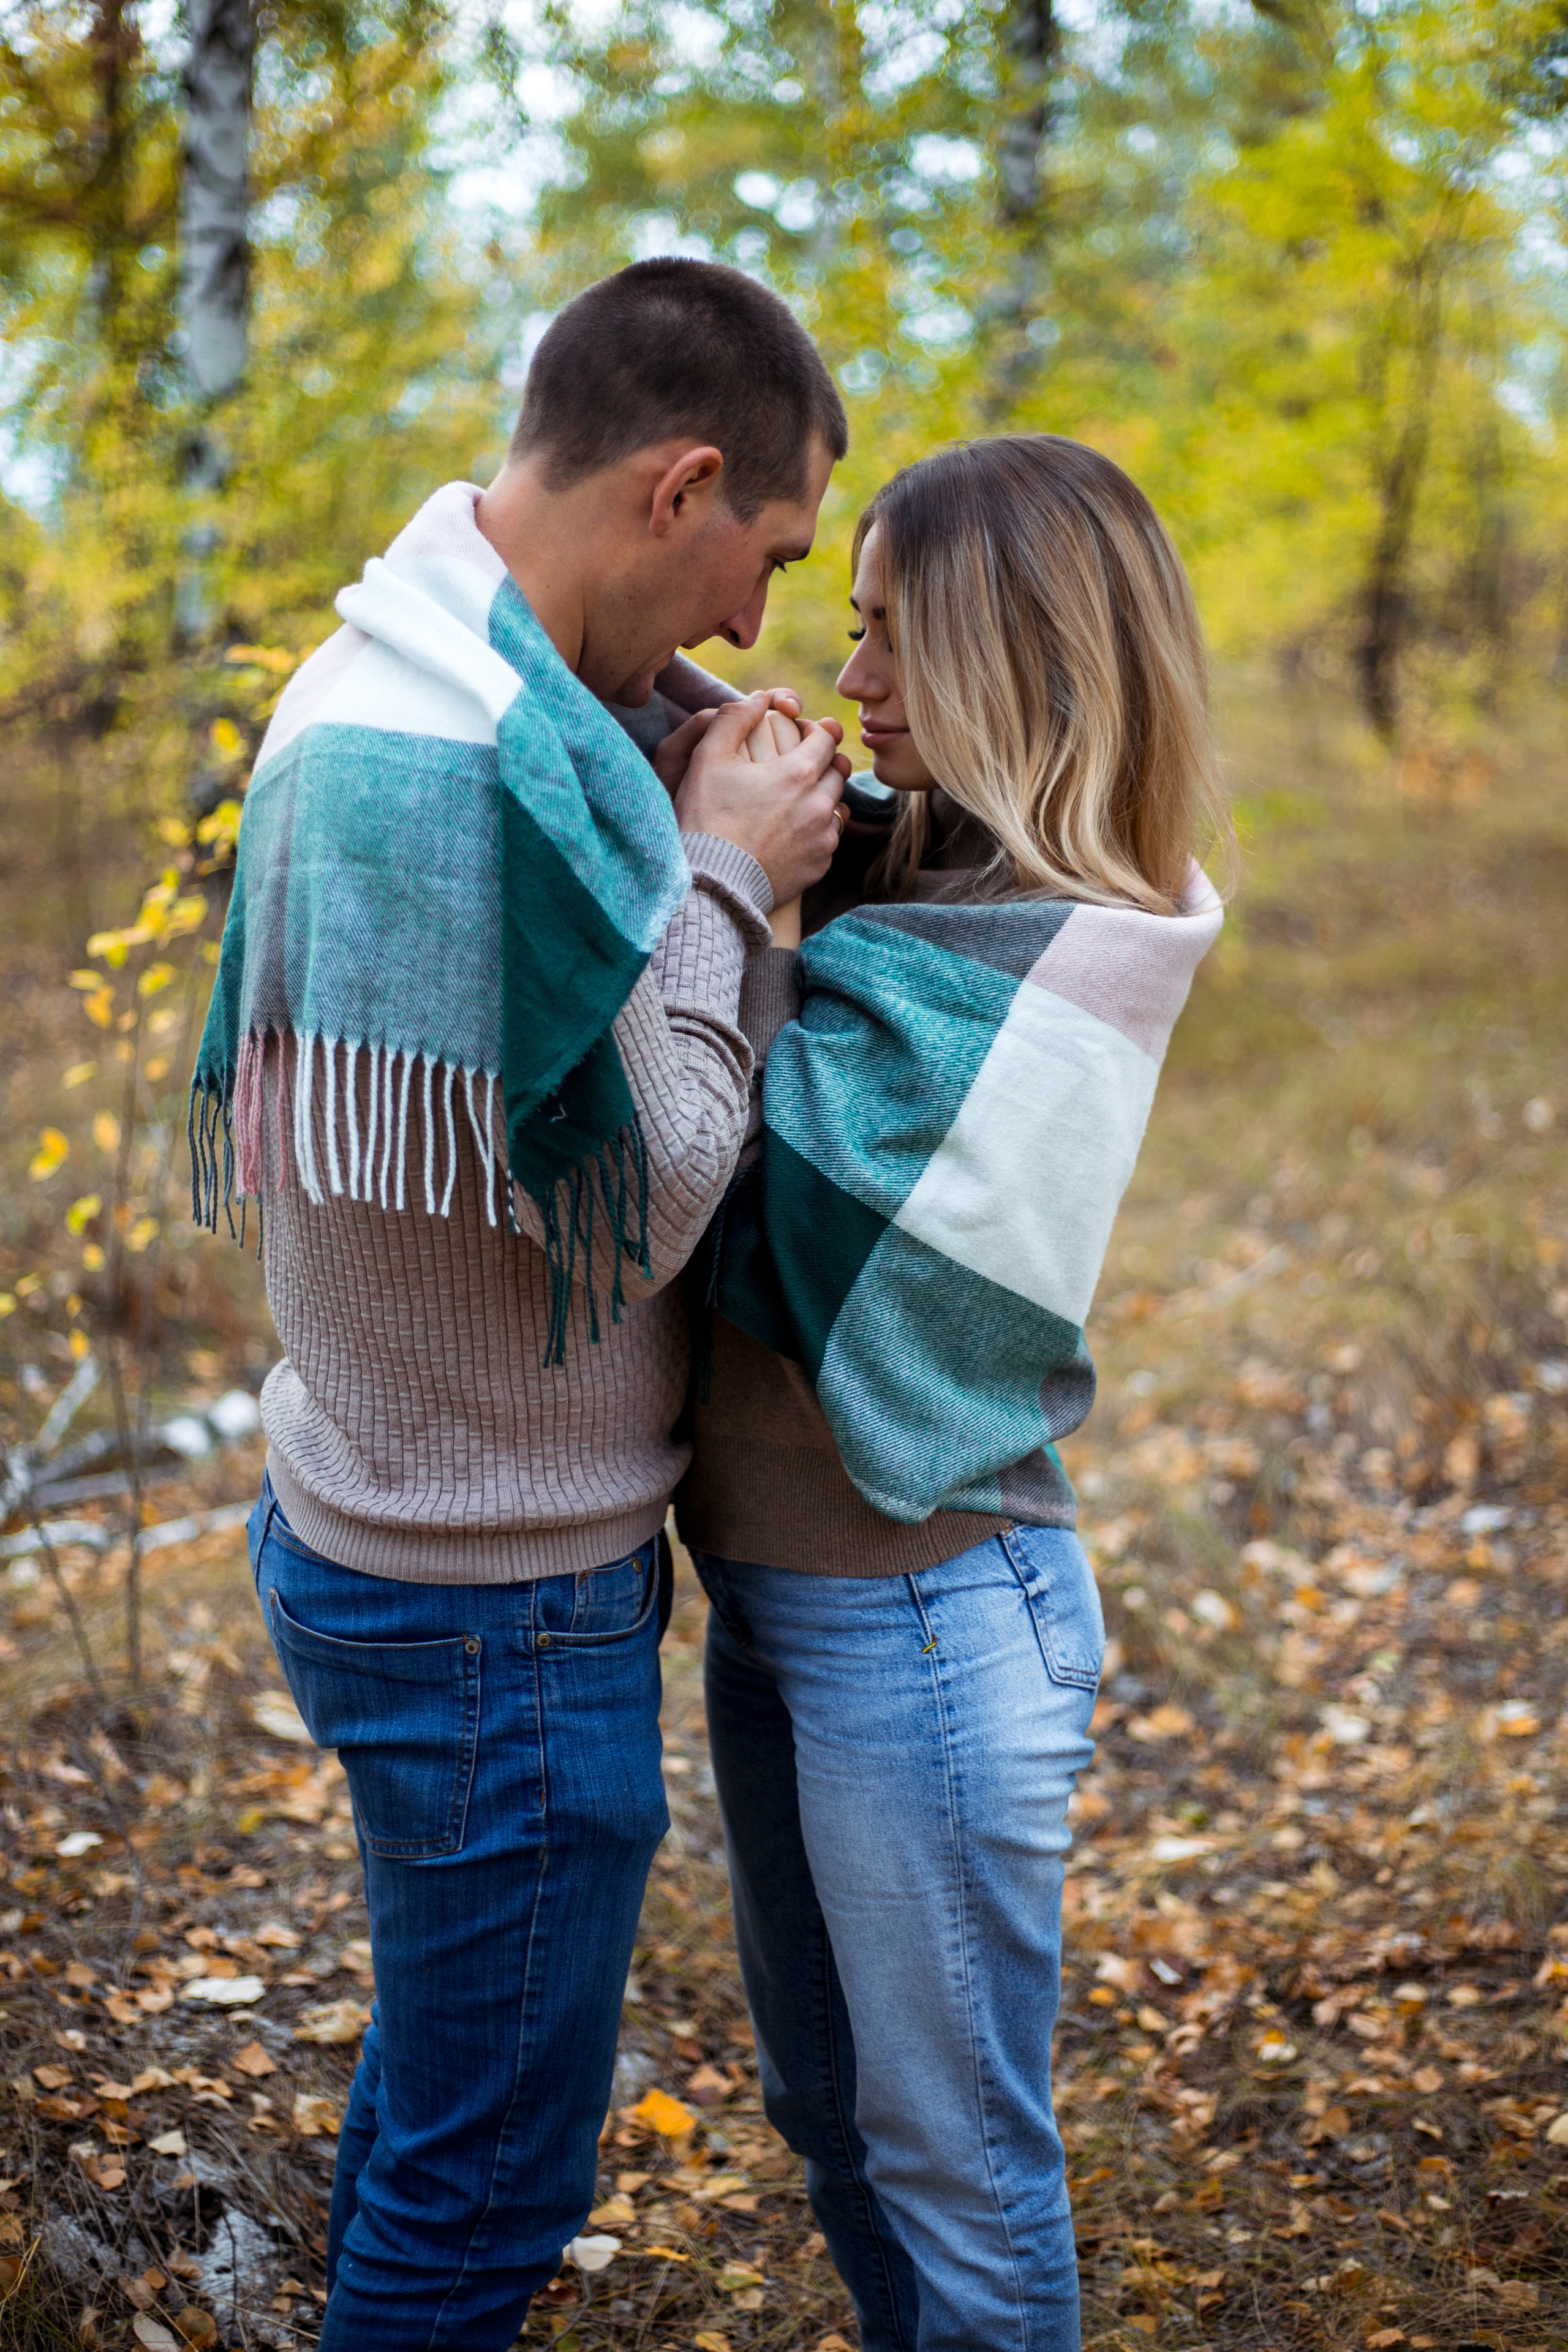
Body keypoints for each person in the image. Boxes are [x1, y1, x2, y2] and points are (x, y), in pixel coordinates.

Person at [194, 258, 851, 2352]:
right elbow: (644, 1194)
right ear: (677, 488)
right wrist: (727, 872)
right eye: (768, 554)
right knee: (487, 2195)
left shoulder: (431, 681)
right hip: (488, 1598)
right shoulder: (456, 776)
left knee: (445, 2085)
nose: (759, 626)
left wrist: (669, 785)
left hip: (399, 1522)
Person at [677, 435, 1233, 2352]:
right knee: (832, 2123)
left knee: (957, 2172)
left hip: (926, 1616)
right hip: (793, 1608)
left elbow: (745, 1197)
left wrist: (725, 885)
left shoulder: (1065, 941)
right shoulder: (935, 867)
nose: (849, 686)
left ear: (1018, 655)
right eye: (847, 633)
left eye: (898, 641)